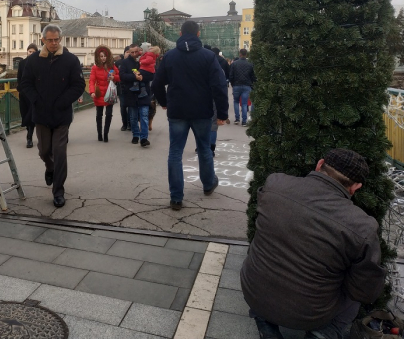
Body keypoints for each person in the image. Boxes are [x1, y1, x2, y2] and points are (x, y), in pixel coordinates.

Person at [241, 149, 385, 339]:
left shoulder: (275, 183)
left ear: (319, 164)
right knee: (353, 300)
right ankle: (322, 334)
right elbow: (366, 292)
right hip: (309, 314)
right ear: (355, 187)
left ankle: (266, 326)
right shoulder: (362, 225)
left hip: (253, 291)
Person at [151, 20, 228, 210]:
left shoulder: (170, 56)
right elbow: (219, 86)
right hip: (202, 110)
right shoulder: (208, 57)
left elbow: (156, 83)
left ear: (180, 33)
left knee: (175, 152)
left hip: (177, 110)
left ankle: (176, 196)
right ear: (199, 34)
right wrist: (223, 113)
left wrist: (165, 102)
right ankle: (208, 184)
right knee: (204, 149)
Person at [18, 24, 85, 208]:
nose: (54, 43)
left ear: (60, 39)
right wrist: (36, 100)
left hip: (62, 115)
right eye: (50, 40)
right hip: (41, 114)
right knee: (44, 151)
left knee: (60, 152)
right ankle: (50, 167)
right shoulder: (33, 61)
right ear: (43, 40)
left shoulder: (70, 60)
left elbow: (79, 85)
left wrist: (64, 101)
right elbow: (26, 84)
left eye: (56, 40)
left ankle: (58, 190)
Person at [119, 44, 152, 147]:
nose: (134, 54)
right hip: (131, 93)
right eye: (131, 52)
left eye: (135, 52)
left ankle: (144, 138)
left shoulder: (145, 60)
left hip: (144, 93)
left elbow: (152, 74)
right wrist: (134, 77)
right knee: (133, 117)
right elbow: (122, 76)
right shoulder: (125, 63)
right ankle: (136, 135)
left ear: (139, 51)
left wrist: (142, 77)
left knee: (144, 116)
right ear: (129, 52)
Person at [88, 45, 120, 142]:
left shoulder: (112, 66)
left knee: (109, 114)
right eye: (101, 56)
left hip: (109, 93)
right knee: (99, 115)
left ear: (107, 56)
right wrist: (92, 91)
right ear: (98, 57)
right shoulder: (95, 68)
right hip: (99, 93)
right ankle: (99, 134)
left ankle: (106, 133)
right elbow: (91, 81)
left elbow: (119, 76)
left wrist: (114, 78)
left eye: (104, 56)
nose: (103, 58)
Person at [16, 43, 38, 148]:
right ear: (27, 52)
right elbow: (19, 77)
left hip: (33, 94)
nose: (31, 53)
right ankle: (29, 132)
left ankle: (29, 137)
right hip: (23, 94)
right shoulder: (22, 63)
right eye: (30, 51)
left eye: (33, 52)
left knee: (31, 115)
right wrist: (20, 89)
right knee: (25, 114)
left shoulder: (38, 63)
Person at [229, 48, 256, 126]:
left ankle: (237, 119)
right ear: (246, 54)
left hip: (236, 85)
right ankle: (244, 121)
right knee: (244, 103)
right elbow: (253, 76)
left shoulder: (234, 64)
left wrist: (233, 83)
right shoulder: (250, 64)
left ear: (240, 54)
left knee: (236, 101)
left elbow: (231, 75)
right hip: (247, 85)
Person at [115, 47, 132, 131]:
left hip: (131, 87)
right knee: (123, 106)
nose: (128, 54)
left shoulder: (133, 62)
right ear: (124, 53)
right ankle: (124, 123)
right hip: (121, 87)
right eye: (127, 52)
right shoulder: (118, 63)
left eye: (130, 52)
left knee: (130, 106)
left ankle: (130, 123)